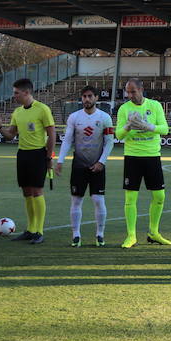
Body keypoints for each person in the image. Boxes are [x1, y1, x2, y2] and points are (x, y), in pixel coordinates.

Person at [0, 78, 55, 245]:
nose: (14, 96)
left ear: (27, 92)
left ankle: (39, 231)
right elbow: (11, 135)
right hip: (22, 154)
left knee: (37, 192)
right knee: (27, 193)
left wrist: (48, 156)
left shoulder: (42, 109)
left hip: (38, 155)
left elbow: (52, 134)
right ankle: (30, 230)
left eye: (16, 93)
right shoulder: (17, 112)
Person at [115, 78, 171, 248]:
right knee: (131, 197)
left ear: (141, 89)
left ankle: (153, 232)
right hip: (132, 156)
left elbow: (165, 129)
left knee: (159, 196)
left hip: (152, 156)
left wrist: (148, 126)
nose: (129, 95)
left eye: (133, 91)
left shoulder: (154, 105)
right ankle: (131, 236)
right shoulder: (124, 109)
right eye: (127, 91)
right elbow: (118, 135)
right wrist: (128, 126)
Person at [55, 86, 114, 247]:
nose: (87, 99)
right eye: (84, 96)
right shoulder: (74, 117)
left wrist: (101, 162)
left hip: (98, 165)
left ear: (96, 98)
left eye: (90, 96)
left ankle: (100, 234)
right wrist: (60, 160)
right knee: (76, 200)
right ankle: (76, 235)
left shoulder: (105, 117)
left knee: (98, 199)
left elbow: (109, 142)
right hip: (79, 166)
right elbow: (67, 140)